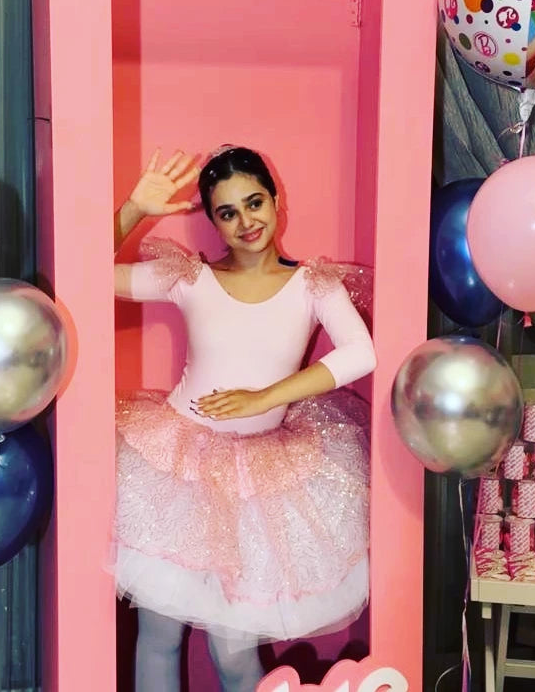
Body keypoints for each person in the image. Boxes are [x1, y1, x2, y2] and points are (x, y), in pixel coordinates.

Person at [113, 145, 376, 692]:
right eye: (227, 212)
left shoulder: (313, 284)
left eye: (254, 202)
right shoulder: (190, 278)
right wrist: (134, 210)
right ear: (213, 222)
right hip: (176, 471)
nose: (245, 221)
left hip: (260, 485)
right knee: (159, 637)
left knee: (233, 654)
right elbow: (83, 273)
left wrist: (265, 398)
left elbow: (360, 353)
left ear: (276, 200)